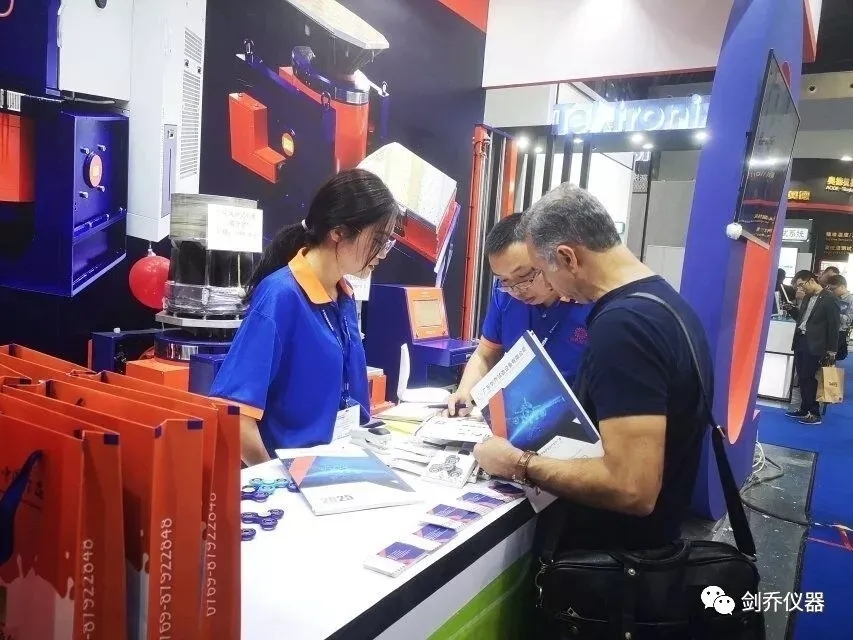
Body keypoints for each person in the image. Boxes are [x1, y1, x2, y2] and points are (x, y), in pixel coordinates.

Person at [473, 183, 713, 551]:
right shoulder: (662, 302)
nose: (547, 286)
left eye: (541, 271)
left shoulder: (623, 327)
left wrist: (519, 463)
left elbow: (631, 488)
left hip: (615, 559)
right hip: (653, 540)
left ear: (568, 257)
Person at [210, 169, 400, 465]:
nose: (383, 253)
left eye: (388, 242)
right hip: (292, 479)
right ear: (339, 232)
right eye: (378, 239)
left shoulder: (343, 294)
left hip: (338, 468)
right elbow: (233, 414)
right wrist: (277, 478)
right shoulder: (280, 296)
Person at [447, 213, 592, 416]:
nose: (517, 289)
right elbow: (485, 354)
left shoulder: (590, 302)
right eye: (505, 280)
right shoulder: (504, 296)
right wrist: (464, 392)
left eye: (524, 276)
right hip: (521, 414)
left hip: (576, 419)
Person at [785, 270, 840, 425]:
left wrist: (832, 350)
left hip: (816, 344)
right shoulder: (808, 297)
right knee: (802, 377)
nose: (800, 289)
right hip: (801, 341)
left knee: (809, 377)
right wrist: (792, 310)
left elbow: (834, 326)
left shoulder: (830, 299)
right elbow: (803, 320)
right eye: (798, 287)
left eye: (801, 285)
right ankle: (804, 408)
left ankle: (814, 412)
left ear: (810, 280)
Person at [825, 274, 852, 361]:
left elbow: (849, 320)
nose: (831, 291)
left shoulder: (851, 300)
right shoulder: (832, 298)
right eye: (830, 289)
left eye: (833, 289)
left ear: (842, 287)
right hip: (827, 331)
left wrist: (834, 314)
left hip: (840, 332)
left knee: (830, 359)